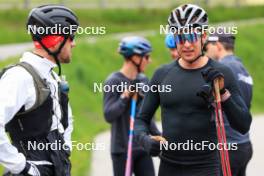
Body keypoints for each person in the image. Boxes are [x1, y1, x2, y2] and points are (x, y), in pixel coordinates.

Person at [134, 4, 252, 176]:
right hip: (169, 168)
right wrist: (145, 140)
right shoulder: (162, 74)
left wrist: (223, 94)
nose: (187, 44)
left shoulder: (222, 73)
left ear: (203, 36)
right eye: (181, 38)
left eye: (192, 36)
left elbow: (243, 125)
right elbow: (140, 120)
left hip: (206, 168)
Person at [0, 5, 79, 176]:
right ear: (57, 39)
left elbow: (66, 121)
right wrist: (22, 167)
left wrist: (65, 148)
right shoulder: (19, 77)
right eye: (71, 37)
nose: (74, 43)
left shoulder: (52, 77)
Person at [103, 36, 161, 176]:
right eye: (146, 57)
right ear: (135, 58)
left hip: (142, 146)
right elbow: (109, 115)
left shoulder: (144, 80)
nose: (149, 60)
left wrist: (159, 138)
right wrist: (126, 95)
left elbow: (148, 117)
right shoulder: (113, 81)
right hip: (122, 149)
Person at [205, 31, 253, 176]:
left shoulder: (223, 70)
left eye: (207, 48)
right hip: (243, 143)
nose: (206, 53)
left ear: (218, 45)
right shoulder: (243, 69)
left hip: (228, 145)